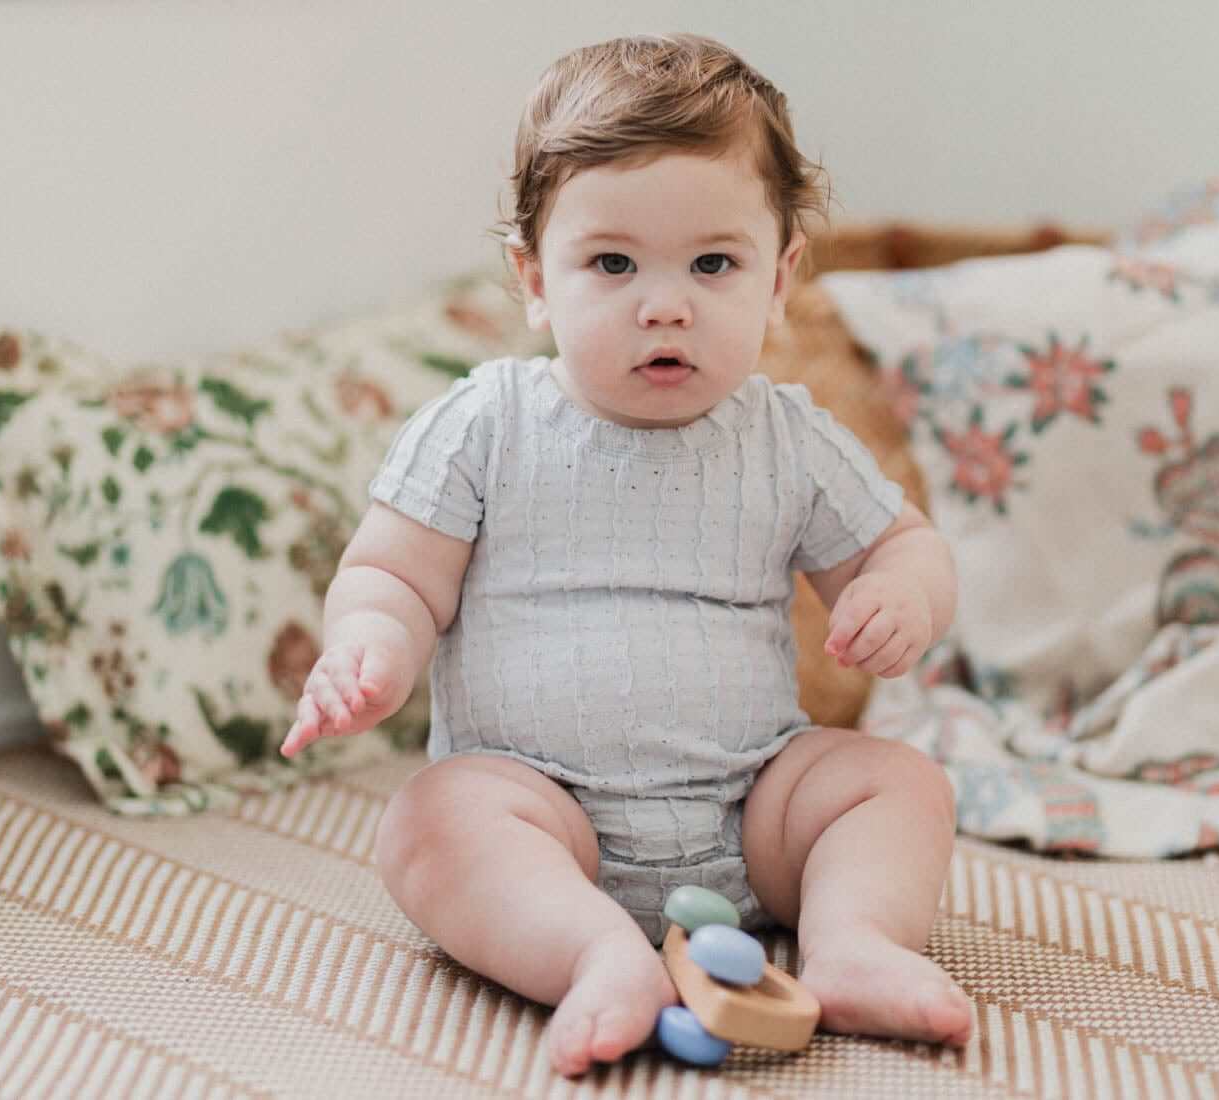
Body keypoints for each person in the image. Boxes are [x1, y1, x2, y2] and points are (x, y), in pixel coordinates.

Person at [281, 32, 969, 1077]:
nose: (665, 302)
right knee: (431, 821)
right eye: (612, 262)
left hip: (753, 808)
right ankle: (596, 951)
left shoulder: (786, 435)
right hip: (547, 811)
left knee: (897, 783)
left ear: (779, 279)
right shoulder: (486, 422)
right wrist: (370, 646)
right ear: (534, 280)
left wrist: (899, 592)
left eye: (713, 263)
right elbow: (391, 574)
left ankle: (854, 942)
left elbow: (906, 543)